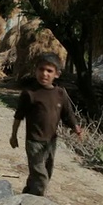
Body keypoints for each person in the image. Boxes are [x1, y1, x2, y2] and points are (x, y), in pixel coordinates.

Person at [10, 52, 82, 196]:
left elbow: (68, 114)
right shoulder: (30, 94)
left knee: (46, 172)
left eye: (49, 71)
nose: (44, 74)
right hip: (34, 141)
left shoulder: (60, 94)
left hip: (51, 141)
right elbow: (18, 116)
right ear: (35, 70)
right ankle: (36, 202)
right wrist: (14, 136)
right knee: (41, 177)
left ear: (57, 74)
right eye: (41, 69)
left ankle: (27, 193)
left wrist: (76, 127)